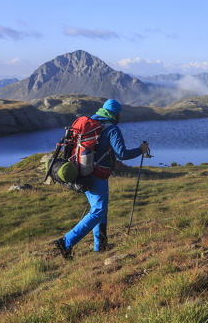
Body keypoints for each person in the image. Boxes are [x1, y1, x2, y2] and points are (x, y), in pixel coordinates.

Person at [54, 99, 148, 259]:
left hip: (82, 171)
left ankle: (101, 245)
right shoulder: (112, 129)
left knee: (100, 210)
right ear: (115, 113)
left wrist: (111, 161)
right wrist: (141, 150)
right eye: (119, 113)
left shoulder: (91, 122)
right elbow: (123, 154)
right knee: (98, 210)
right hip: (97, 175)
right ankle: (66, 242)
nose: (120, 116)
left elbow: (97, 149)